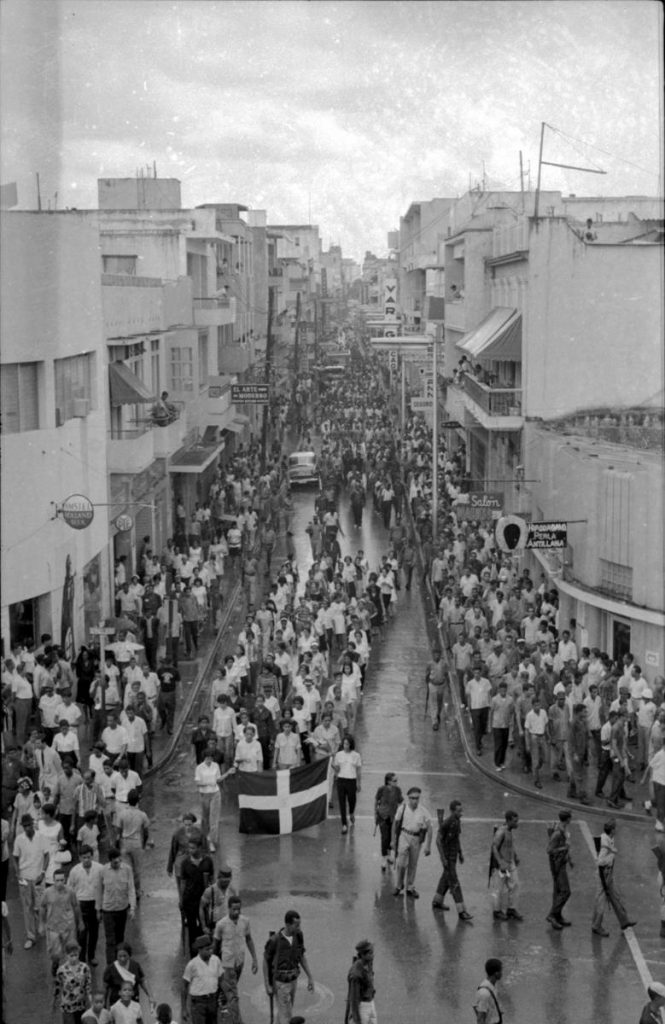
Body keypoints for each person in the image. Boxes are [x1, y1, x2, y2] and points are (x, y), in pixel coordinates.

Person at [263, 909, 315, 1024]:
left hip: (293, 981)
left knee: (285, 1011)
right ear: (287, 924)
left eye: (299, 925)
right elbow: (266, 961)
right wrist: (267, 984)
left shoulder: (299, 936)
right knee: (287, 1016)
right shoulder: (275, 940)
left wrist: (310, 977)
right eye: (296, 925)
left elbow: (301, 956)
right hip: (280, 983)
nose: (299, 928)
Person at [212, 896, 258, 1024]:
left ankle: (221, 1002)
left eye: (239, 909)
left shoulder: (245, 921)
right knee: (233, 994)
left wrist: (254, 959)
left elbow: (249, 939)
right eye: (234, 909)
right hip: (227, 964)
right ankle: (237, 1020)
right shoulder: (221, 924)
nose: (236, 912)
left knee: (230, 988)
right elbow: (215, 946)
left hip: (239, 962)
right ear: (228, 908)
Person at [591, 817, 637, 936]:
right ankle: (596, 925)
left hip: (608, 874)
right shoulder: (605, 844)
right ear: (611, 830)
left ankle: (624, 921)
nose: (616, 829)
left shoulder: (610, 838)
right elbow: (600, 863)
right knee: (601, 901)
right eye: (615, 828)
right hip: (604, 875)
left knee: (616, 897)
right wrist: (604, 882)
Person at [432, 799, 473, 922]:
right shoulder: (447, 823)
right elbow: (438, 841)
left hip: (453, 856)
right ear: (452, 811)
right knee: (454, 883)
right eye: (459, 811)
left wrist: (460, 853)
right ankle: (462, 911)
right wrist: (443, 858)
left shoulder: (457, 821)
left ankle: (437, 901)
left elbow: (456, 838)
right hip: (448, 858)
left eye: (461, 810)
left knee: (446, 878)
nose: (461, 813)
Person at [12, 812, 49, 948]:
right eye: (25, 826)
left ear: (33, 824)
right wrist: (18, 874)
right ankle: (30, 936)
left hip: (39, 877)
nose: (27, 828)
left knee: (40, 906)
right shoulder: (19, 839)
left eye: (29, 825)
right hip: (25, 878)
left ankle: (41, 929)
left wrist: (43, 872)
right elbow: (15, 858)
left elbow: (46, 856)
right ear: (22, 826)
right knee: (27, 907)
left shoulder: (41, 837)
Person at [392, 787, 432, 899]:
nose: (415, 800)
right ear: (408, 798)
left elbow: (430, 828)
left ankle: (410, 887)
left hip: (416, 838)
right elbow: (395, 824)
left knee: (413, 864)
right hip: (404, 836)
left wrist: (428, 845)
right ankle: (399, 885)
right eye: (412, 798)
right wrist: (393, 840)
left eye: (417, 798)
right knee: (401, 864)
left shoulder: (423, 810)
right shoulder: (402, 808)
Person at [41, 867, 82, 976]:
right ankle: (55, 963)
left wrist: (80, 922)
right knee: (55, 952)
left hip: (68, 926)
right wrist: (41, 923)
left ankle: (69, 970)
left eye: (62, 880)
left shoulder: (70, 891)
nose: (59, 883)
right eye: (57, 880)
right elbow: (42, 907)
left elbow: (76, 906)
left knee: (71, 949)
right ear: (53, 880)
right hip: (53, 926)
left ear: (65, 880)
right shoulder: (47, 892)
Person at [68, 844, 104, 965]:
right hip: (81, 903)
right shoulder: (74, 871)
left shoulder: (100, 868)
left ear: (92, 856)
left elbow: (104, 887)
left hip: (95, 902)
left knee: (94, 932)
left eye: (89, 857)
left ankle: (92, 956)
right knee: (82, 934)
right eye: (84, 857)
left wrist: (101, 908)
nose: (87, 860)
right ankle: (81, 958)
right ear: (80, 858)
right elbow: (70, 890)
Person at [101, 848, 136, 965]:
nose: (118, 864)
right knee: (110, 940)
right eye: (115, 862)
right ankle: (110, 966)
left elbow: (131, 888)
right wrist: (98, 909)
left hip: (122, 909)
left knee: (120, 939)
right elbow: (99, 890)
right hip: (108, 910)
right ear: (110, 861)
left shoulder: (127, 870)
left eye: (119, 861)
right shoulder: (103, 870)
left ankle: (119, 964)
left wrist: (132, 908)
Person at [180, 839, 214, 957]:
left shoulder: (207, 861)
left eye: (193, 848)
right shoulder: (185, 863)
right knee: (191, 928)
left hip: (204, 901)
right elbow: (183, 882)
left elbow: (212, 879)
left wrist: (212, 897)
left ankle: (204, 952)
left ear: (200, 848)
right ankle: (193, 955)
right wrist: (181, 900)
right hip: (190, 901)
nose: (191, 850)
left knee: (204, 927)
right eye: (189, 848)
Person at [115, 790, 149, 900]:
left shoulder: (122, 814)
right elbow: (146, 832)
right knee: (137, 870)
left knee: (126, 869)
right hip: (136, 843)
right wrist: (143, 844)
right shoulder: (142, 815)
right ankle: (137, 891)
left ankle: (127, 892)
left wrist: (118, 844)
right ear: (138, 801)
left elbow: (118, 831)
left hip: (125, 843)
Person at [181, 934, 222, 1024]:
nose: (210, 951)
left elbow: (221, 979)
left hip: (212, 1001)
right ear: (199, 950)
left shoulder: (216, 960)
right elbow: (184, 987)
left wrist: (222, 997)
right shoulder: (192, 965)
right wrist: (184, 1009)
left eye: (211, 948)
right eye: (207, 950)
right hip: (198, 1004)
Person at [103, 941, 154, 1011]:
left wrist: (150, 996)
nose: (122, 959)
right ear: (116, 956)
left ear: (129, 955)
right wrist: (104, 1006)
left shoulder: (135, 966)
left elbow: (143, 981)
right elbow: (105, 989)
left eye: (125, 956)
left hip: (134, 1004)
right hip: (117, 1006)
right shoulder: (111, 969)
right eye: (120, 956)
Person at [491, 809, 522, 921]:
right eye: (514, 821)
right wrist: (500, 862)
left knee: (515, 885)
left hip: (510, 863)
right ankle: (497, 911)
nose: (516, 823)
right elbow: (494, 847)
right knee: (498, 889)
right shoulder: (501, 832)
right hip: (502, 864)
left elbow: (510, 845)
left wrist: (515, 856)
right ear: (508, 821)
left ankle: (511, 909)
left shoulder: (509, 830)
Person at [546, 810, 574, 930]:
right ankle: (552, 914)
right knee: (565, 891)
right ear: (568, 819)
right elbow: (549, 850)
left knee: (558, 891)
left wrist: (569, 859)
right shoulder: (558, 833)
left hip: (561, 862)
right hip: (557, 865)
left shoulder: (564, 830)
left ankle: (558, 916)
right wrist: (564, 848)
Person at [54, 940, 92, 1023]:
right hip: (67, 1006)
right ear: (66, 955)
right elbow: (57, 986)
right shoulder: (61, 970)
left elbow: (88, 985)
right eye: (71, 955)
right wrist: (55, 1001)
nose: (74, 958)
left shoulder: (84, 968)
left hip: (81, 1005)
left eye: (76, 955)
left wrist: (90, 1000)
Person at [333, 735, 362, 835]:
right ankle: (344, 824)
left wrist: (358, 783)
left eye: (347, 744)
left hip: (351, 780)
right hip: (341, 780)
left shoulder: (356, 755)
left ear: (351, 745)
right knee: (341, 803)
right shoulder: (338, 755)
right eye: (344, 744)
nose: (346, 746)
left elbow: (358, 770)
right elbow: (337, 768)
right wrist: (333, 767)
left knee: (352, 799)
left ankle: (351, 813)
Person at [374, 773, 403, 872]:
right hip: (383, 816)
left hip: (393, 817)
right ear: (389, 781)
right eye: (394, 781)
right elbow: (376, 801)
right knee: (384, 837)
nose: (396, 782)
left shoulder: (398, 790)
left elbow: (400, 802)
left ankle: (389, 856)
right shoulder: (381, 789)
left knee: (391, 837)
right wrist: (375, 815)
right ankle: (384, 859)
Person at [199, 867, 236, 937]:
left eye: (228, 881)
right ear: (219, 878)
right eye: (224, 881)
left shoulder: (232, 890)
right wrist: (204, 926)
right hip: (214, 926)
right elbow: (201, 908)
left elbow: (236, 908)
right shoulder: (210, 891)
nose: (226, 883)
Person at [346, 938, 376, 1024]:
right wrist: (357, 1019)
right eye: (370, 953)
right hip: (362, 1007)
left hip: (370, 1003)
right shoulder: (356, 975)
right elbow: (354, 999)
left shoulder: (368, 963)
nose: (373, 955)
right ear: (363, 955)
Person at [472, 958, 503, 1024]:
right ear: (496, 973)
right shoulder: (484, 993)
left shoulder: (491, 986)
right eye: (501, 971)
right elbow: (480, 1019)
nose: (502, 973)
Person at [425, 650, 448, 731]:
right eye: (435, 655)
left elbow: (446, 673)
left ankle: (438, 713)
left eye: (438, 655)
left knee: (440, 702)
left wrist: (446, 683)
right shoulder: (430, 664)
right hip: (433, 685)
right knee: (433, 703)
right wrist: (427, 683)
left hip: (441, 685)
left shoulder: (444, 663)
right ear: (433, 655)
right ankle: (434, 722)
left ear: (440, 655)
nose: (436, 656)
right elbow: (427, 673)